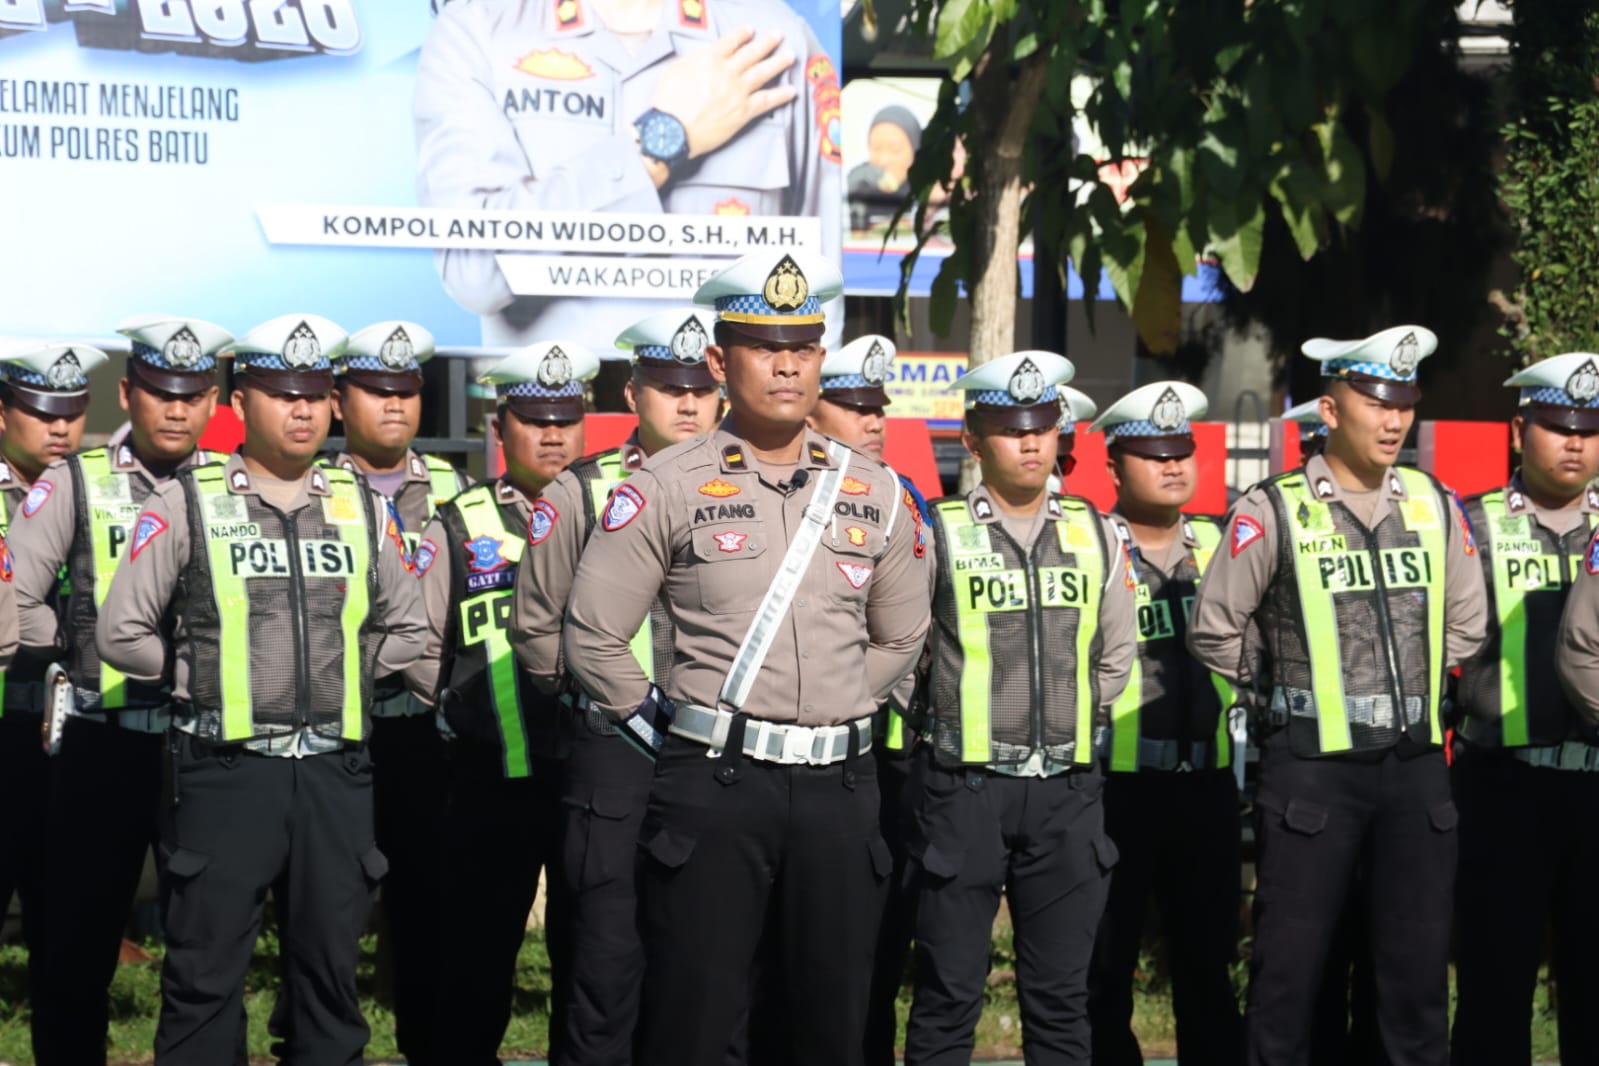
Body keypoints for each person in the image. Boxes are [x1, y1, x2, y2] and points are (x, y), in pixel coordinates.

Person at [561, 250, 929, 1066]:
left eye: (802, 345)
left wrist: (827, 708)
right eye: (765, 346)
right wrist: (675, 731)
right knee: (694, 1021)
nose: (788, 363)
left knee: (830, 1026)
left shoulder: (876, 489)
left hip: (841, 789)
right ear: (721, 362)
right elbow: (590, 631)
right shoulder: (664, 484)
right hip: (711, 787)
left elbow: (902, 637)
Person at [95, 313, 427, 1066]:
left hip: (337, 776)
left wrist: (348, 672)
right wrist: (202, 678)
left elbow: (408, 629)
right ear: (241, 403)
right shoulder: (188, 500)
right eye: (282, 394)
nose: (303, 410)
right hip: (225, 770)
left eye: (314, 393)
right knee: (205, 979)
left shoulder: (360, 507)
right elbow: (122, 631)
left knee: (330, 982)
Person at [1187, 326, 1488, 1066]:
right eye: (1375, 401)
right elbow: (1214, 627)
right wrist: (1278, 698)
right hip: (1311, 767)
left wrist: (1406, 690)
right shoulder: (1276, 508)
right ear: (1328, 409)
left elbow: (1467, 623)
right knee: (1289, 982)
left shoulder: (1430, 502)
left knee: (1414, 986)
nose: (1392, 420)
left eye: (1404, 403)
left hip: (1414, 767)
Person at [902, 350, 1136, 1066]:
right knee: (947, 995)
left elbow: (1115, 653)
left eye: (1041, 425)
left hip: (1068, 793)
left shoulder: (1094, 531)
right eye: (1009, 427)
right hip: (962, 790)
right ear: (971, 441)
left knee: (1061, 1002)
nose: (1030, 442)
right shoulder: (934, 531)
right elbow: (900, 653)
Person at [10, 316, 228, 1066]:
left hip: (206, 749)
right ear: (130, 394)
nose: (178, 410)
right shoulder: (77, 481)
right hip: (105, 740)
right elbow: (20, 600)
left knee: (208, 944)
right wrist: (70, 655)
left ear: (213, 401)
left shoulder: (230, 485)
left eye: (194, 395)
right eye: (163, 393)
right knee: (77, 946)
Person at [511, 308, 721, 1066]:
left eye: (700, 388)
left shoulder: (751, 487)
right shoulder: (580, 491)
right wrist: (608, 708)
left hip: (718, 755)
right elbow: (537, 630)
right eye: (669, 387)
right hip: (618, 758)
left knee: (708, 977)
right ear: (632, 395)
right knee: (605, 972)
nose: (688, 404)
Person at [414, 0, 843, 351]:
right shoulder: (477, 33)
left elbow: (821, 289)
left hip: (731, 428)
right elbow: (474, 274)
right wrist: (660, 142)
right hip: (553, 419)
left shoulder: (774, 40)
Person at [405, 339, 599, 1066]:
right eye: (533, 419)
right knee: (476, 965)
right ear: (499, 427)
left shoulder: (613, 512)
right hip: (489, 782)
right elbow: (422, 652)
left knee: (590, 962)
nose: (552, 434)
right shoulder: (459, 522)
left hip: (590, 779)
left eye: (565, 419)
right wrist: (465, 721)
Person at [319, 319, 468, 1066]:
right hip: (333, 731)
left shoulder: (452, 490)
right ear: (340, 401)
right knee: (326, 914)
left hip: (421, 732)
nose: (395, 405)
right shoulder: (312, 489)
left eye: (406, 390)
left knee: (425, 911)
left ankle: (427, 1049)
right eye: (377, 390)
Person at [1082, 381, 1243, 1066]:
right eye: (1152, 453)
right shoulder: (1088, 543)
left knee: (1208, 970)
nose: (1173, 465)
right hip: (1114, 789)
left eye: (1182, 450)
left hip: (1204, 786)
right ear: (1114, 465)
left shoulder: (1223, 541)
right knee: (1104, 971)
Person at [1457, 353, 1599, 1065]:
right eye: (1555, 426)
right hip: (1502, 784)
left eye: (1589, 428)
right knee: (1493, 982)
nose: (1574, 442)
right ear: (1519, 431)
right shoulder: (1467, 525)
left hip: (1596, 784)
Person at [800, 331, 928, 1065]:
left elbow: (917, 631)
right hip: (801, 751)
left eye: (877, 407)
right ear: (814, 414)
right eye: (853, 406)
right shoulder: (782, 491)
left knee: (874, 946)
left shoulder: (902, 496)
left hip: (891, 760)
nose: (872, 421)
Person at [0, 340, 108, 1026]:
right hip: (3, 730)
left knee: (71, 934)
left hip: (76, 742)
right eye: (42, 412)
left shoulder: (102, 497)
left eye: (71, 411)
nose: (61, 427)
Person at [847, 105, 920, 231]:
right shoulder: (859, 181)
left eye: (895, 150)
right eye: (876, 148)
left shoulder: (928, 189)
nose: (884, 160)